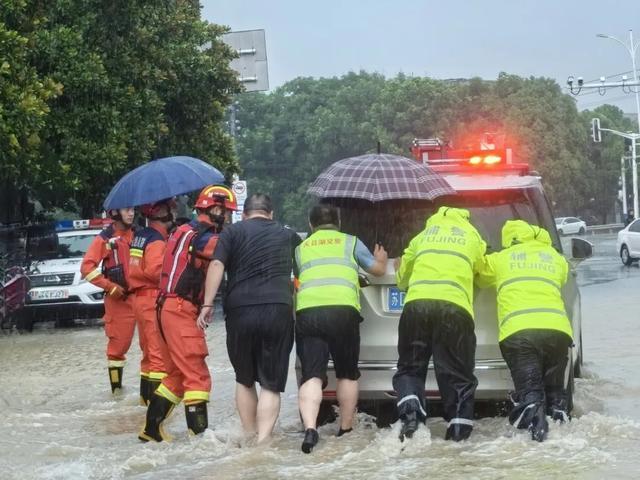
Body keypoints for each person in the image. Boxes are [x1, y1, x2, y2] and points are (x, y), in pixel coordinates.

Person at [197, 193, 302, 444]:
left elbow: (216, 267)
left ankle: (248, 434)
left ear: (243, 214)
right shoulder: (288, 235)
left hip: (240, 310)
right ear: (271, 214)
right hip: (278, 309)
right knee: (271, 382)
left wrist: (207, 304)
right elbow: (301, 276)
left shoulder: (230, 234)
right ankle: (263, 441)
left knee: (244, 379)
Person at [138, 185, 236, 442]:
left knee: (176, 375)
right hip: (181, 310)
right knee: (197, 375)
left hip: (163, 308)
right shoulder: (205, 238)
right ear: (215, 209)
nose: (229, 219)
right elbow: (228, 253)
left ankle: (151, 431)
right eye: (227, 214)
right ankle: (201, 438)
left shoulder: (183, 230)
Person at [294, 204, 387, 453]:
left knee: (312, 375)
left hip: (309, 312)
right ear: (339, 222)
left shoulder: (301, 248)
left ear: (311, 225)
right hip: (343, 312)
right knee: (346, 373)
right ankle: (345, 429)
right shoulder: (350, 242)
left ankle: (311, 428)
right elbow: (377, 271)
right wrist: (381, 260)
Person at [393, 206, 486, 442]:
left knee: (410, 368)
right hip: (454, 309)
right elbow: (483, 272)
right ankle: (458, 436)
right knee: (457, 376)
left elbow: (402, 279)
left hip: (416, 307)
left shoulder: (422, 236)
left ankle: (411, 414)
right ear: (465, 218)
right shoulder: (472, 236)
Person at [476, 220, 573, 442]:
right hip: (557, 332)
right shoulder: (555, 258)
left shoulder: (501, 259)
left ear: (509, 238)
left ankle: (537, 440)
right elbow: (564, 276)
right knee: (556, 394)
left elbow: (479, 273)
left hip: (520, 333)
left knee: (531, 394)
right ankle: (562, 438)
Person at [81, 207, 136, 395]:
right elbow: (86, 268)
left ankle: (148, 396)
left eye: (133, 209)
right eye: (127, 210)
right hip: (119, 299)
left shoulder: (140, 235)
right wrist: (109, 286)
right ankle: (117, 392)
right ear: (115, 212)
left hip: (143, 296)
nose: (131, 213)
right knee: (118, 347)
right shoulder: (104, 238)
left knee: (154, 348)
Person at [128, 199, 175, 405]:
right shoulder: (156, 240)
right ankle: (155, 408)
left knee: (147, 354)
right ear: (161, 212)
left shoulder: (139, 236)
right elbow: (155, 271)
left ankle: (144, 401)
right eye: (170, 208)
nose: (173, 211)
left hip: (139, 299)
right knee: (158, 355)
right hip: (151, 298)